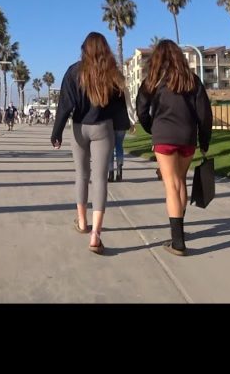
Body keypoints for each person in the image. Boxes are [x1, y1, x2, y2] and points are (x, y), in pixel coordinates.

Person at [51, 32, 128, 255]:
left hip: (78, 128)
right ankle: (96, 234)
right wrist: (121, 126)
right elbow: (119, 107)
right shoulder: (111, 73)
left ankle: (83, 223)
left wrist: (56, 132)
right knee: (100, 178)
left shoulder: (74, 71)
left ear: (84, 49)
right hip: (102, 129)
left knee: (81, 175)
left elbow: (64, 105)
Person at [135, 40, 212, 257]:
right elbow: (204, 114)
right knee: (180, 181)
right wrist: (204, 140)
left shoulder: (152, 81)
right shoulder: (192, 80)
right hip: (187, 137)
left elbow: (141, 109)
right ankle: (180, 230)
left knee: (171, 184)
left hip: (164, 136)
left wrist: (152, 128)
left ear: (157, 59)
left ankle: (178, 241)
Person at [108, 92, 131, 182]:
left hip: (110, 122)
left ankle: (110, 173)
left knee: (110, 148)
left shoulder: (108, 89)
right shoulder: (123, 91)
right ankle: (119, 170)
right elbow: (129, 107)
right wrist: (132, 121)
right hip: (122, 122)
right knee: (119, 146)